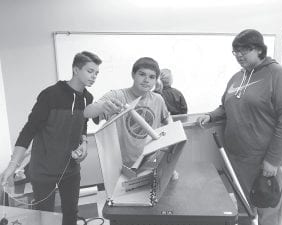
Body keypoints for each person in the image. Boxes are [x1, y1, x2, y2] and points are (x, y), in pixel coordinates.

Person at [197, 29, 282, 225]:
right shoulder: (237, 77)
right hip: (237, 160)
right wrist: (210, 115)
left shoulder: (280, 76)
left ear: (260, 49)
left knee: (268, 215)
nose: (239, 55)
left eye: (245, 49)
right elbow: (226, 107)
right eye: (235, 51)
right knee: (244, 211)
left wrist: (273, 161)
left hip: (266, 163)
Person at [0, 51, 102, 225]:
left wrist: (83, 143)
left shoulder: (88, 98)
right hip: (43, 170)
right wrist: (12, 165)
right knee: (44, 217)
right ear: (76, 70)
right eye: (90, 71)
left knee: (71, 212)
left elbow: (83, 125)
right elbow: (29, 130)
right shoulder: (51, 94)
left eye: (96, 73)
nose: (94, 76)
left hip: (70, 169)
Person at [84, 57, 171, 167]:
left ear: (155, 80)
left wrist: (169, 163)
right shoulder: (117, 96)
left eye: (151, 77)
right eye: (142, 74)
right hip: (118, 165)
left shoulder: (158, 100)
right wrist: (103, 106)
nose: (146, 80)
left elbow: (168, 122)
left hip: (147, 163)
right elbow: (87, 112)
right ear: (133, 74)